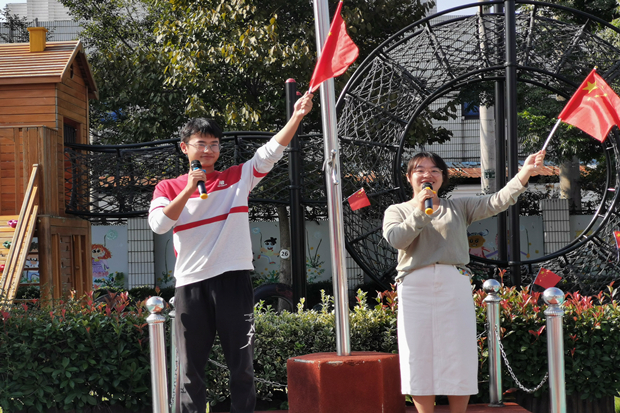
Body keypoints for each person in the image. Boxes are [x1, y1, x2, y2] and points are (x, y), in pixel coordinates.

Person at [148, 93, 313, 413]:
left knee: (242, 366)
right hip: (191, 284)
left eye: (214, 144)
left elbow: (270, 153)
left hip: (233, 281)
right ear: (184, 147)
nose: (208, 150)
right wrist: (189, 188)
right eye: (201, 143)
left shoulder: (237, 178)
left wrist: (296, 117)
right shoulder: (168, 187)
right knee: (190, 370)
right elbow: (159, 225)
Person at [382, 149, 545, 413]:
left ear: (443, 177)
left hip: (453, 283)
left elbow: (497, 201)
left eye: (434, 170)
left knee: (458, 350)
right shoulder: (397, 210)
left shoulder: (458, 207)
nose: (427, 175)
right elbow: (397, 240)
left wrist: (524, 172)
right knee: (417, 352)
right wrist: (421, 212)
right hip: (414, 285)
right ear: (409, 177)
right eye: (420, 170)